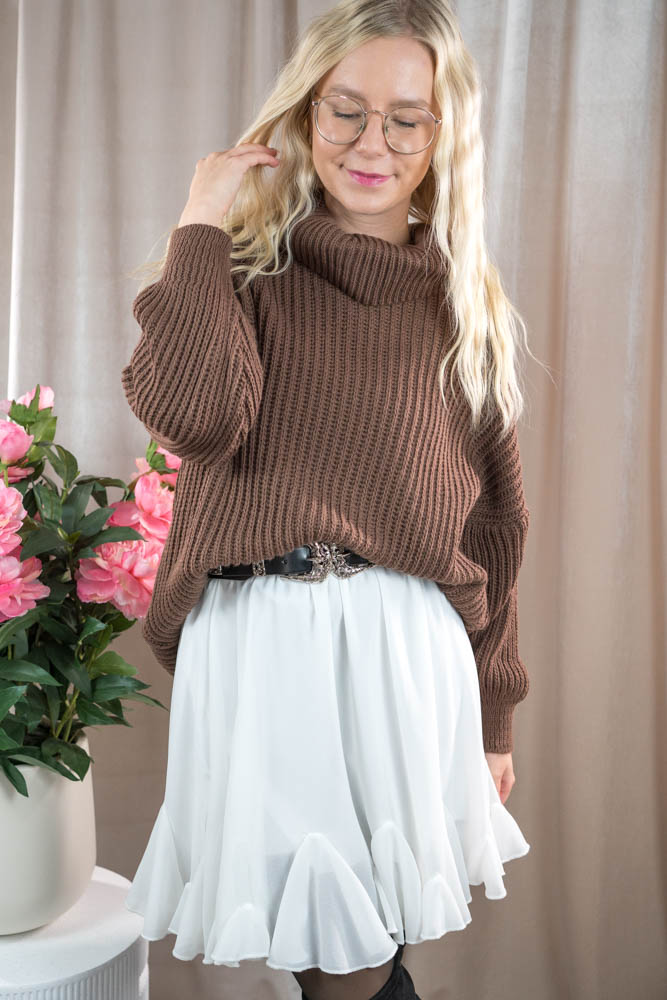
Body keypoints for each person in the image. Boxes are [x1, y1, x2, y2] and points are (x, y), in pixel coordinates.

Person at [121, 2, 541, 998]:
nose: (371, 142)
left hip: (402, 648)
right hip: (259, 645)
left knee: (359, 952)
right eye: (344, 110)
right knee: (336, 960)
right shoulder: (238, 271)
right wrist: (201, 217)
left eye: (405, 117)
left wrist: (493, 713)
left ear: (442, 136)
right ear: (306, 113)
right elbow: (193, 417)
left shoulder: (461, 302)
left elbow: (493, 525)